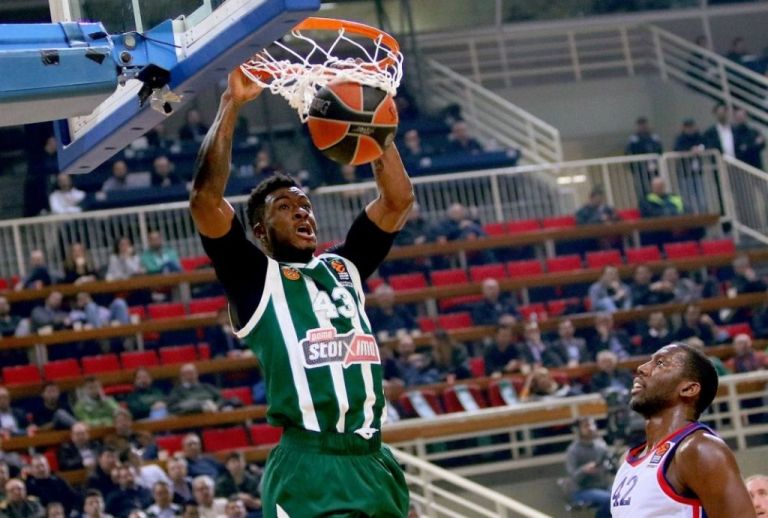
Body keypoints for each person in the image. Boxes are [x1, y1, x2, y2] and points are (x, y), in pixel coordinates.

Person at [189, 69, 411, 517]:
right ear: (260, 231)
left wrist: (374, 129)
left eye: (305, 206)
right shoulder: (255, 279)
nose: (301, 213)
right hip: (309, 467)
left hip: (373, 459)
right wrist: (231, 104)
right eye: (285, 207)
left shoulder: (343, 267)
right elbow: (205, 202)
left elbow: (397, 201)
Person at [610, 342, 755, 518]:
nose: (641, 368)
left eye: (660, 363)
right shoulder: (627, 462)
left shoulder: (699, 448)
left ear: (688, 389)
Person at [564, 417, 612, 518]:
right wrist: (584, 470)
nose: (591, 428)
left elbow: (612, 465)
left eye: (592, 425)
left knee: (623, 496)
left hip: (604, 487)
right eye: (586, 426)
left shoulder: (601, 446)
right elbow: (573, 477)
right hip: (582, 491)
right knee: (609, 500)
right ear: (578, 430)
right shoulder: (573, 451)